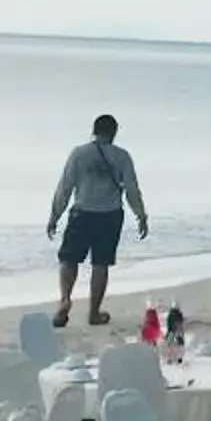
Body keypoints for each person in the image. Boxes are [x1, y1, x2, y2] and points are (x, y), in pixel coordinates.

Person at [47, 113, 150, 330]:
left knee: (69, 259)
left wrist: (55, 215)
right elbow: (132, 189)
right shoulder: (122, 157)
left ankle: (65, 299)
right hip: (110, 215)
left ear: (94, 131)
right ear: (113, 133)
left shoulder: (79, 154)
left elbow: (65, 187)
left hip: (82, 213)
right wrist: (141, 215)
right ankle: (94, 312)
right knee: (101, 264)